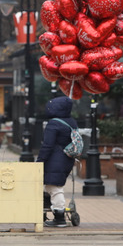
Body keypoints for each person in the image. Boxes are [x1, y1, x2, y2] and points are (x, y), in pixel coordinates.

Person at [36, 96, 78, 228]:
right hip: (66, 159)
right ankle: (55, 211)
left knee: (54, 187)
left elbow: (47, 145)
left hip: (55, 160)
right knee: (52, 186)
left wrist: (39, 161)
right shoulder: (71, 121)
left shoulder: (53, 124)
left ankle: (59, 218)